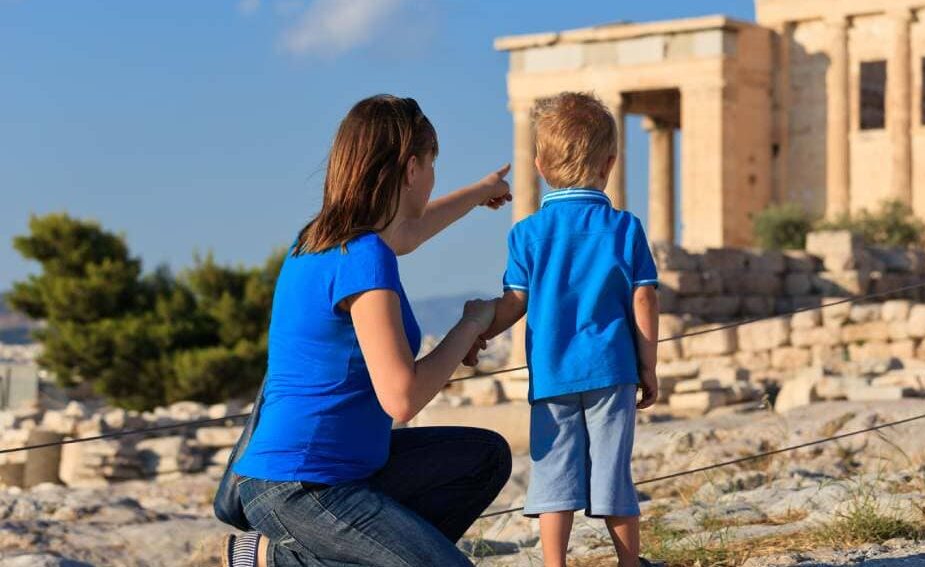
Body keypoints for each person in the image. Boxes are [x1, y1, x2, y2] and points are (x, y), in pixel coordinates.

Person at [221, 94, 514, 567]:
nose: (434, 176)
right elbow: (402, 399)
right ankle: (276, 561)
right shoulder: (364, 257)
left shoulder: (323, 239)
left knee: (485, 457)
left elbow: (410, 234)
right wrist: (470, 325)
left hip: (345, 470)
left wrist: (480, 192)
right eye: (433, 164)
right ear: (413, 168)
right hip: (302, 483)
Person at [474, 92, 660, 567]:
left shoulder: (526, 234)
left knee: (553, 476)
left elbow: (515, 304)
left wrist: (478, 330)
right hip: (612, 370)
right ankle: (628, 563)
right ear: (611, 163)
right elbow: (643, 298)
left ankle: (554, 564)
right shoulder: (625, 228)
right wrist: (649, 366)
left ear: (538, 165)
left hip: (552, 376)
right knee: (614, 473)